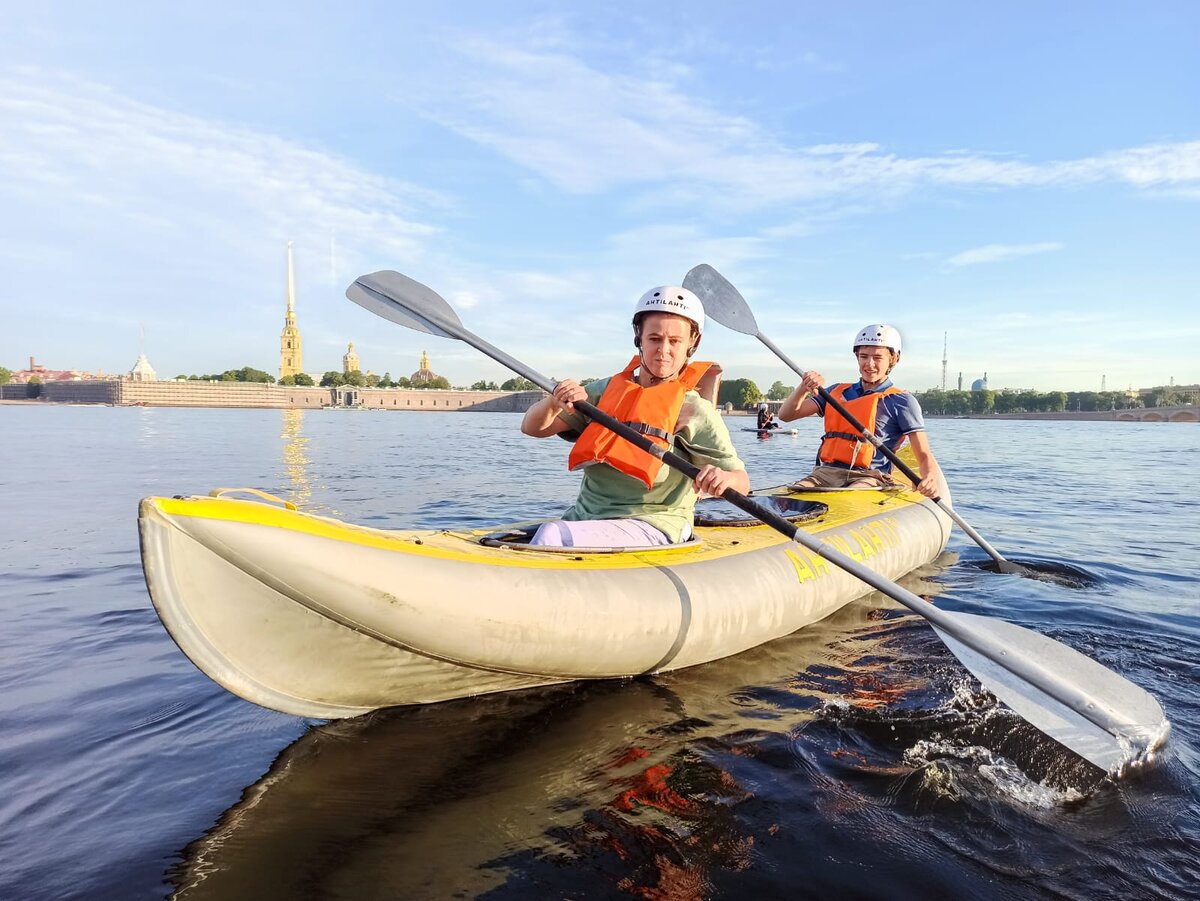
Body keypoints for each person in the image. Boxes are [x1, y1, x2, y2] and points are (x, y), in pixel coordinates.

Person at [520, 286, 750, 547]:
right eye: (654, 338)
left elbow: (741, 481)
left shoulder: (695, 410)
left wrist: (725, 479)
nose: (663, 350)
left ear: (691, 345)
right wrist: (553, 401)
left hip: (656, 523)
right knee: (548, 533)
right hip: (586, 517)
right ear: (638, 337)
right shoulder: (602, 391)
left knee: (551, 534)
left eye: (675, 341)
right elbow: (533, 428)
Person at [777, 324, 941, 497]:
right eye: (863, 356)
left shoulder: (902, 401)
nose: (869, 364)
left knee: (851, 496)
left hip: (870, 476)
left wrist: (930, 477)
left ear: (894, 359)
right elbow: (786, 416)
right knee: (794, 494)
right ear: (857, 357)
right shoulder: (836, 392)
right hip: (826, 474)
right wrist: (803, 387)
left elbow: (923, 454)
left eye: (878, 358)